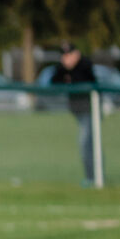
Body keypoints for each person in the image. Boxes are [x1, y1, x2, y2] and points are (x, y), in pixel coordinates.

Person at [49, 42, 100, 186]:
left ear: (76, 54)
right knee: (89, 144)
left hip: (91, 110)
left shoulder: (85, 65)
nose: (66, 59)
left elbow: (86, 80)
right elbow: (54, 81)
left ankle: (94, 178)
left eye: (69, 55)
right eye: (64, 55)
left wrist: (70, 76)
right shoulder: (62, 68)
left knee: (87, 143)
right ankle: (94, 177)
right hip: (77, 111)